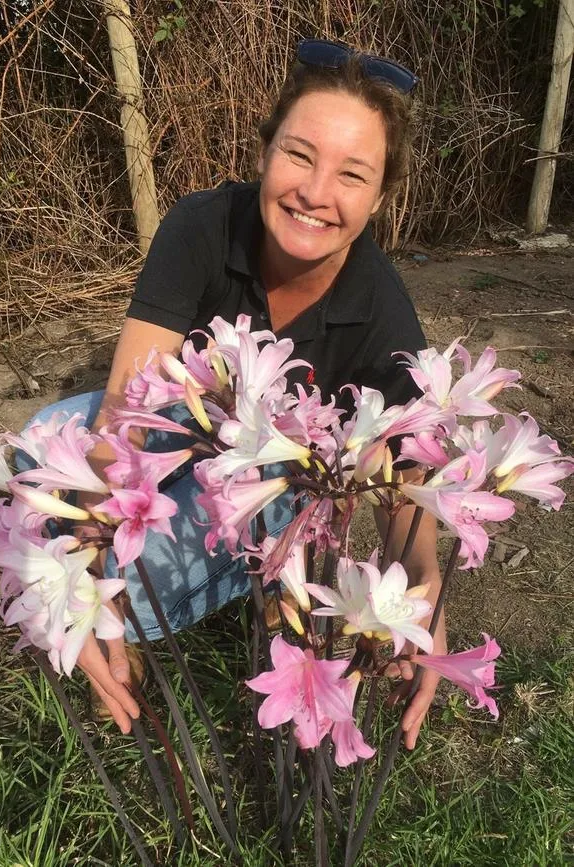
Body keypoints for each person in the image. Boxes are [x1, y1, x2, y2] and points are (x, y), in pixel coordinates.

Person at [29, 39, 446, 747]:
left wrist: (423, 592)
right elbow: (126, 411)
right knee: (42, 446)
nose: (315, 193)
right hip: (185, 428)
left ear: (380, 197)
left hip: (283, 480)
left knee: (124, 586)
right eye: (299, 155)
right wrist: (87, 573)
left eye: (352, 174)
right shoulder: (202, 225)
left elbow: (405, 482)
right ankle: (83, 585)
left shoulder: (383, 313)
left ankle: (252, 578)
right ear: (263, 153)